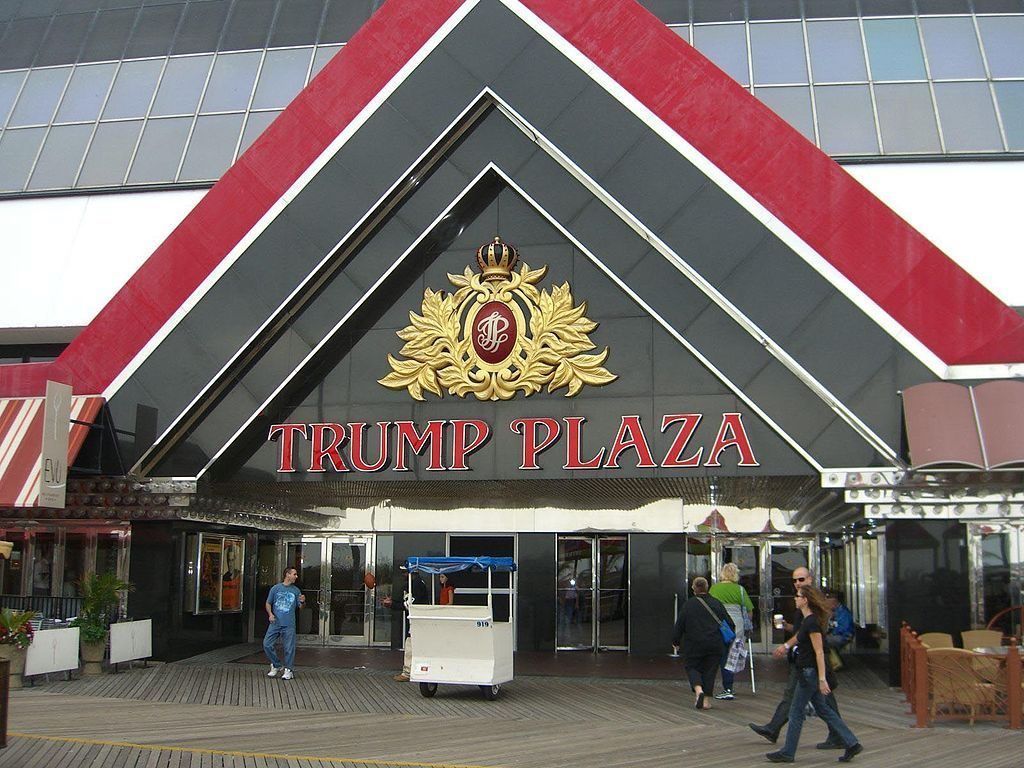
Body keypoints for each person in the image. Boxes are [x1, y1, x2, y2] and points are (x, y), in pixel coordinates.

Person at [765, 585, 863, 763]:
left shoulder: (811, 622)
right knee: (823, 709)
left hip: (808, 671)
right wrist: (785, 646)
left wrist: (822, 679)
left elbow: (819, 652)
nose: (795, 598)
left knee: (796, 712)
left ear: (805, 600)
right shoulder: (808, 621)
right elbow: (799, 637)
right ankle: (851, 742)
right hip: (808, 670)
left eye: (798, 596)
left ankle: (788, 752)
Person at [749, 566, 844, 749]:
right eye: (794, 580)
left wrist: (786, 646)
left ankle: (840, 737)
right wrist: (787, 627)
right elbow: (803, 630)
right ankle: (774, 728)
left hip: (810, 658)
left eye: (801, 579)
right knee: (811, 696)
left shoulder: (812, 601)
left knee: (817, 697)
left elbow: (808, 631)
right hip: (806, 657)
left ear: (810, 579)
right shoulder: (802, 602)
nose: (797, 583)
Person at [672, 576, 735, 710]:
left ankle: (698, 690)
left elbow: (680, 624)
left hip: (694, 643)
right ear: (707, 588)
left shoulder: (689, 605)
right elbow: (730, 623)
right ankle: (705, 701)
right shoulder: (717, 603)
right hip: (715, 643)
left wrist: (675, 641)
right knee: (710, 671)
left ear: (694, 589)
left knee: (692, 666)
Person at [709, 562, 754, 700]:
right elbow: (749, 610)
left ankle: (721, 687)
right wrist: (748, 625)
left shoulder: (714, 589)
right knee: (731, 656)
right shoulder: (740, 590)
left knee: (721, 656)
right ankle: (729, 687)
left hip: (720, 625)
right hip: (737, 626)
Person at [382, 568, 429, 682]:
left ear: (411, 573)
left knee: (409, 644)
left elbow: (410, 604)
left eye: (404, 572)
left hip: (417, 620)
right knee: (414, 644)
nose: (403, 575)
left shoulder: (416, 585)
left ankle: (407, 672)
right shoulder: (414, 584)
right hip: (415, 620)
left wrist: (392, 604)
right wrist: (393, 602)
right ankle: (414, 670)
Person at [264, 567, 305, 680]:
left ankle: (288, 670)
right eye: (294, 574)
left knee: (289, 648)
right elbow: (268, 603)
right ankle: (276, 665)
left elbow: (300, 607)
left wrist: (302, 602)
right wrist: (270, 614)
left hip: (289, 624)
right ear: (287, 574)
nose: (296, 576)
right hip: (275, 622)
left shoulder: (296, 590)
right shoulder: (275, 588)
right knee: (267, 644)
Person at [825, 591, 854, 670]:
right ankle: (834, 661)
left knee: (823, 641)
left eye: (828, 603)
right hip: (836, 634)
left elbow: (843, 628)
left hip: (844, 636)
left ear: (834, 602)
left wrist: (831, 633)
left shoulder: (844, 612)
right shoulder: (833, 611)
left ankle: (835, 662)